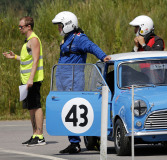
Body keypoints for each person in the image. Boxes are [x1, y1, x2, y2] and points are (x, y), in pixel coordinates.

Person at [52, 11, 111, 154]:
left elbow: (92, 46)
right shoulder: (68, 38)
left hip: (74, 81)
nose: (59, 28)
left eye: (60, 25)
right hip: (63, 81)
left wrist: (103, 56)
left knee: (76, 112)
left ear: (68, 24)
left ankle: (80, 142)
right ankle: (73, 143)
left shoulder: (79, 38)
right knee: (68, 112)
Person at [2, 16, 45, 146]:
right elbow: (28, 59)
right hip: (26, 80)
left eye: (21, 26)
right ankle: (34, 135)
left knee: (36, 106)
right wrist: (14, 57)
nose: (19, 28)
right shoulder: (27, 41)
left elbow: (36, 60)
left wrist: (31, 78)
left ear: (29, 27)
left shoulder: (34, 40)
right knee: (30, 107)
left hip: (33, 80)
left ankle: (40, 136)